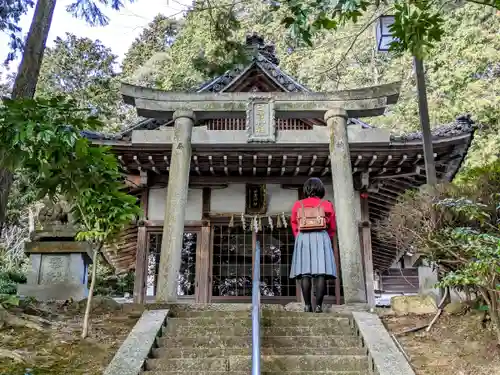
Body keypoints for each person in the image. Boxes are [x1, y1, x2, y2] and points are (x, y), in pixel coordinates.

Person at [290, 177, 337, 313]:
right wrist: (328, 237)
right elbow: (332, 226)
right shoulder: (327, 204)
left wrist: (299, 236)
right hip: (321, 236)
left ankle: (307, 305)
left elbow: (294, 223)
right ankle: (318, 306)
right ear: (321, 189)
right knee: (320, 272)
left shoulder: (298, 205)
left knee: (305, 273)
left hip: (303, 237)